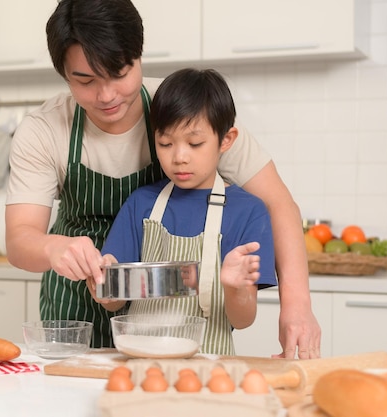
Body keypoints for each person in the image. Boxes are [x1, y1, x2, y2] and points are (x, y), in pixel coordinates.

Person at [6, 0, 320, 357]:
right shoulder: (44, 129)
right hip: (77, 312)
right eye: (86, 81)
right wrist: (54, 247)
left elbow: (278, 203)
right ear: (65, 74)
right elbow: (19, 240)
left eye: (119, 73)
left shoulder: (182, 110)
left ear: (139, 56)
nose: (107, 95)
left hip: (174, 331)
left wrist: (296, 306)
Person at [88, 68, 277, 355]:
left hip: (209, 371)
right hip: (141, 364)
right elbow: (115, 302)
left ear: (226, 140)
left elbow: (244, 319)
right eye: (165, 143)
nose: (179, 157)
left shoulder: (248, 212)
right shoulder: (141, 204)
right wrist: (104, 287)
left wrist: (235, 288)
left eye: (195, 143)